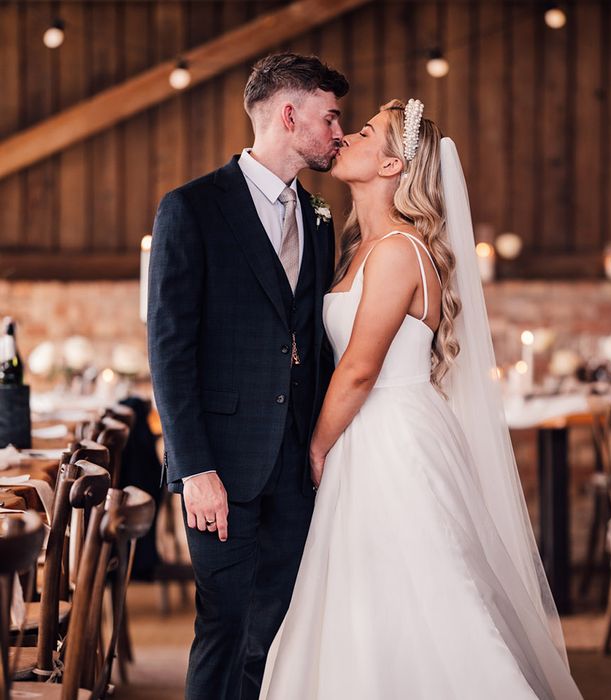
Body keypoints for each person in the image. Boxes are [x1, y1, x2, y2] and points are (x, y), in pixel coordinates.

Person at [259, 99, 583, 699]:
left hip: (389, 438)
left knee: (431, 594)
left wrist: (316, 448)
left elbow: (359, 368)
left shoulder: (399, 251)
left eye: (364, 133)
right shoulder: (360, 247)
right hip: (368, 433)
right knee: (370, 595)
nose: (346, 137)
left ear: (390, 166)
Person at [147, 53, 348, 699]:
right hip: (220, 468)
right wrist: (195, 468)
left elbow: (312, 342)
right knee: (224, 627)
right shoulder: (192, 209)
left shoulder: (319, 220)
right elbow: (170, 351)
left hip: (293, 465)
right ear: (289, 116)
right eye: (330, 116)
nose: (337, 133)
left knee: (279, 630)